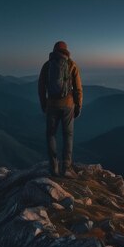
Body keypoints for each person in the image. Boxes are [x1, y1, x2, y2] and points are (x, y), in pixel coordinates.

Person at [38, 41, 83, 179]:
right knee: (67, 135)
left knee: (51, 135)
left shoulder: (47, 65)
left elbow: (41, 87)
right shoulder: (71, 64)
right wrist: (78, 106)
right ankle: (66, 168)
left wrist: (44, 104)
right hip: (68, 105)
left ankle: (53, 167)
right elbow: (78, 89)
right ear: (66, 50)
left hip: (52, 105)